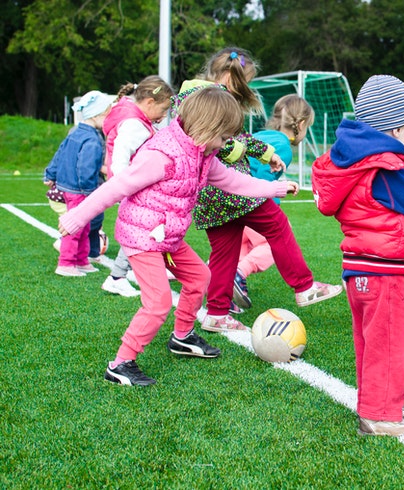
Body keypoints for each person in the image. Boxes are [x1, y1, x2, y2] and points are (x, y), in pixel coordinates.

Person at [58, 86, 299, 386]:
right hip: (142, 237)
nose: (226, 145)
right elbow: (117, 187)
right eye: (224, 138)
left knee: (200, 277)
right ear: (207, 127)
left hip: (167, 237)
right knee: (158, 302)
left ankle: (182, 337)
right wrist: (77, 217)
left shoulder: (203, 154)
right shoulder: (162, 155)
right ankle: (120, 364)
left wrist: (275, 188)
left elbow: (233, 181)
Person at [175, 47, 342, 332]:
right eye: (244, 81)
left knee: (224, 252)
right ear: (229, 76)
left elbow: (238, 136)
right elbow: (217, 142)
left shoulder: (197, 94)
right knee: (277, 225)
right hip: (230, 188)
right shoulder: (207, 99)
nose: (245, 88)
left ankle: (216, 313)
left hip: (209, 195)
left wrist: (267, 154)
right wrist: (242, 152)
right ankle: (304, 286)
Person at [311, 75, 404, 436]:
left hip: (361, 268)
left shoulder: (358, 163)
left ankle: (377, 403)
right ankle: (380, 416)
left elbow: (376, 212)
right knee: (390, 343)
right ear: (396, 128)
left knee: (372, 343)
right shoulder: (384, 167)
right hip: (382, 274)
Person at [232, 94, 315, 313]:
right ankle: (239, 273)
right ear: (302, 124)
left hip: (231, 199)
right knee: (273, 243)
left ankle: (223, 287)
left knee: (239, 246)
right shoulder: (284, 148)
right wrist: (272, 198)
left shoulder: (261, 135)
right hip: (251, 203)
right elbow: (261, 174)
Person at [100, 75, 175, 298]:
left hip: (134, 186)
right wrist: (126, 185)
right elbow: (121, 158)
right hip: (133, 187)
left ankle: (128, 272)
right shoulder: (134, 125)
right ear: (149, 103)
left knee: (146, 228)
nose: (163, 117)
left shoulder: (135, 118)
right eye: (163, 110)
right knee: (141, 230)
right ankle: (117, 277)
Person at [44, 90, 114, 277]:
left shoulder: (75, 132)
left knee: (84, 225)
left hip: (70, 187)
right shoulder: (92, 139)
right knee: (76, 226)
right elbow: (86, 167)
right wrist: (90, 192)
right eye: (107, 115)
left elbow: (59, 152)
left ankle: (81, 261)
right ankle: (66, 263)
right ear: (97, 115)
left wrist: (50, 173)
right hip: (80, 190)